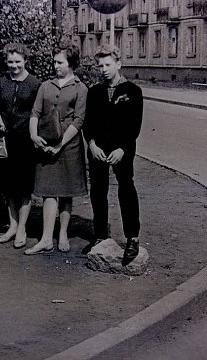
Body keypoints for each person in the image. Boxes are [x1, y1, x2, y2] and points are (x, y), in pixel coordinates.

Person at [82, 45, 143, 265]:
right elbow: (87, 122)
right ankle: (100, 236)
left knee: (126, 188)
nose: (104, 69)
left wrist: (123, 149)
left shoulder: (132, 91)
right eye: (100, 65)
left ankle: (132, 238)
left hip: (121, 150)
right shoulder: (95, 91)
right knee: (98, 191)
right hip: (98, 150)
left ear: (118, 64)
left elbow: (134, 125)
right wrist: (92, 144)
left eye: (108, 65)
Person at [26, 42, 88, 255]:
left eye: (59, 62)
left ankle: (62, 234)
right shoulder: (45, 86)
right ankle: (45, 239)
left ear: (71, 63)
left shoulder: (81, 88)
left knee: (66, 192)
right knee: (48, 192)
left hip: (69, 146)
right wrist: (34, 135)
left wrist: (61, 145)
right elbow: (35, 112)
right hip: (45, 143)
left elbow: (79, 120)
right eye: (54, 62)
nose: (55, 66)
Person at [0, 43, 41, 249]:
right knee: (9, 186)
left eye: (17, 61)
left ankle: (22, 227)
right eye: (10, 61)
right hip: (5, 140)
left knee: (23, 187)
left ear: (25, 61)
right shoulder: (1, 82)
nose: (14, 65)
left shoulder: (34, 83)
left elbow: (38, 112)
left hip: (25, 140)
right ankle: (12, 225)